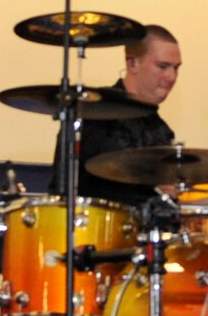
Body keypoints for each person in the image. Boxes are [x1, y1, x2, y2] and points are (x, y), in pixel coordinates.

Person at [52, 24, 182, 207]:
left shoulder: (161, 129)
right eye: (163, 66)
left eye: (176, 68)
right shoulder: (95, 113)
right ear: (132, 63)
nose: (172, 77)